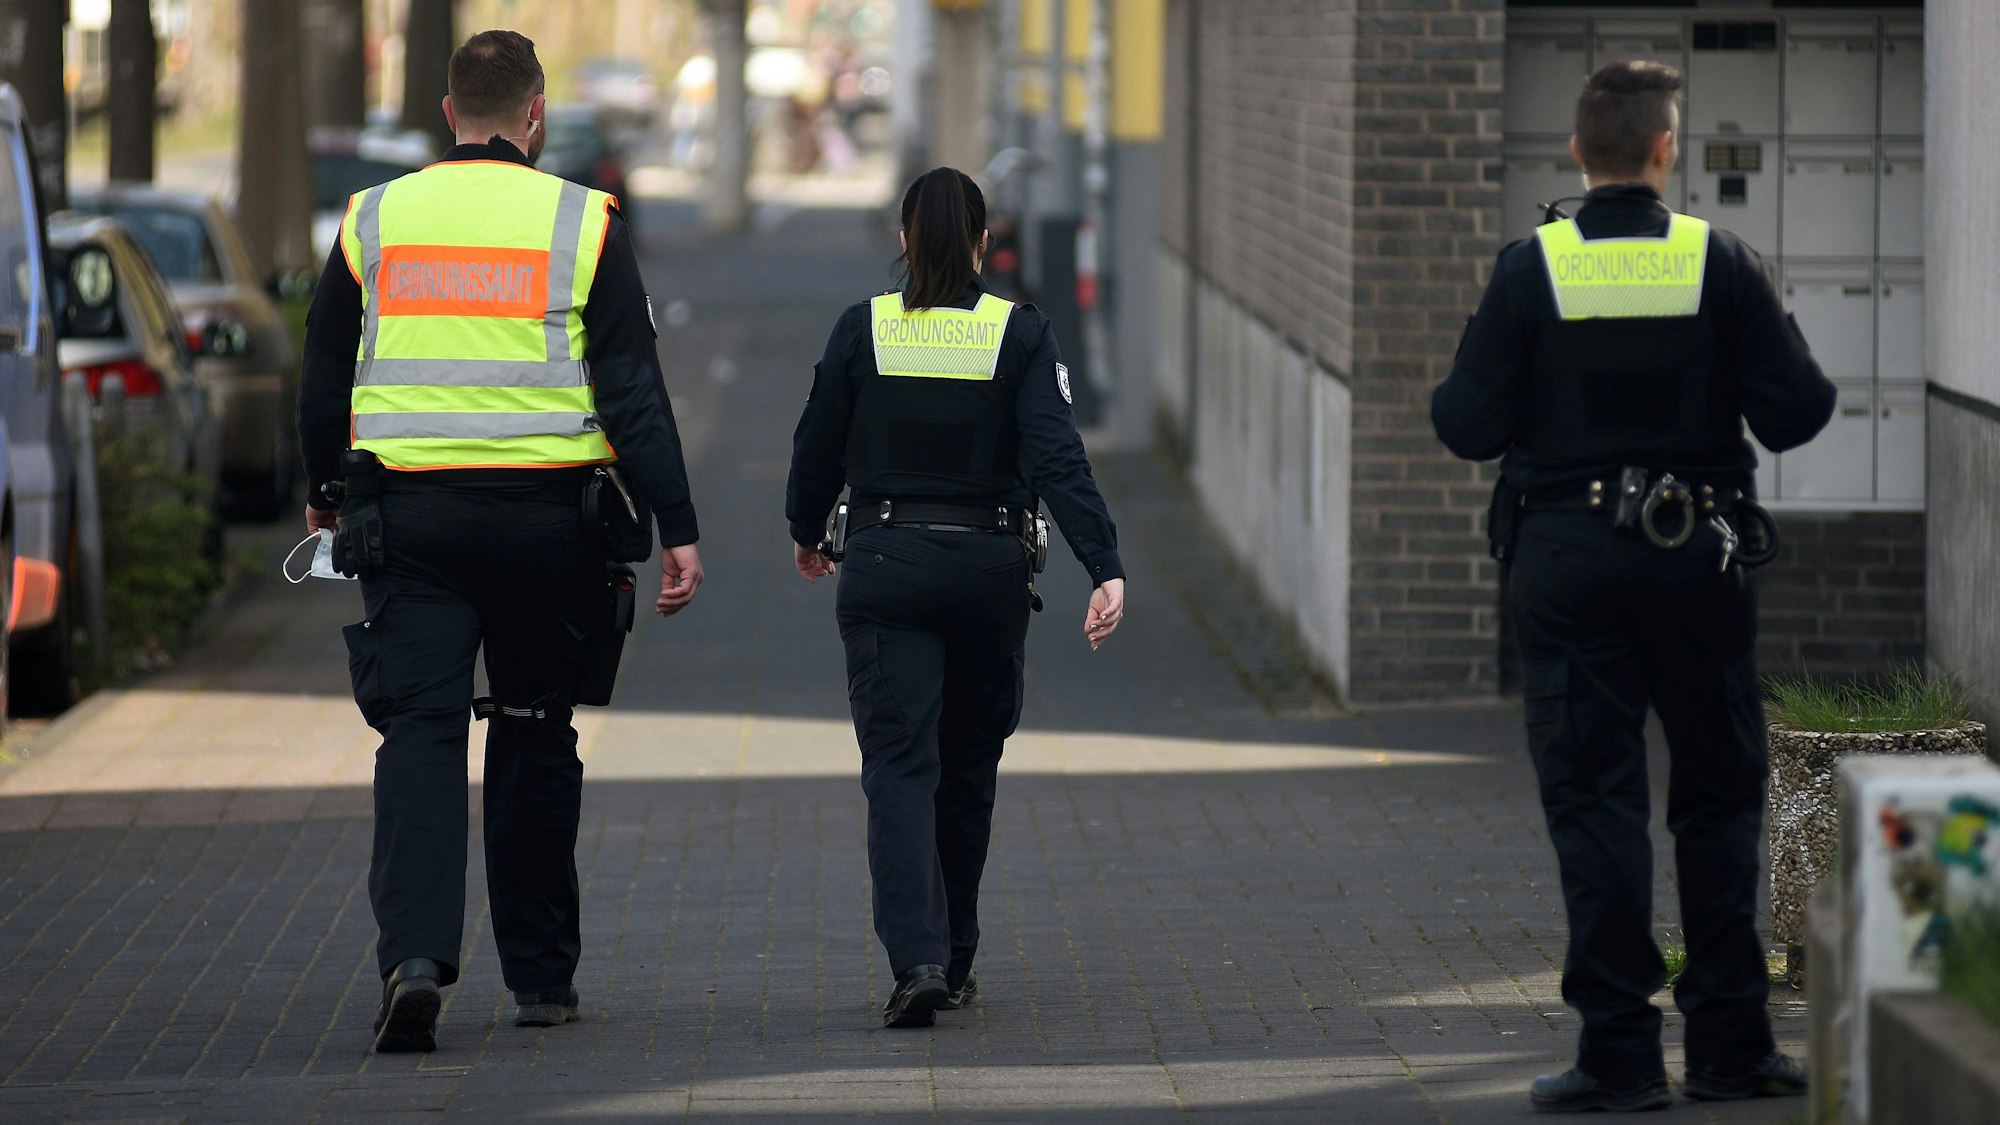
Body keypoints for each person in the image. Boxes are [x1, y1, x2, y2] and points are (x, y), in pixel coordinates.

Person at [1431, 61, 1835, 1113]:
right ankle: (1728, 1049)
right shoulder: (1721, 261)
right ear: (1664, 151)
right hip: (1695, 558)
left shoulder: (1530, 268)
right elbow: (1795, 411)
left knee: (1596, 802)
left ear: (1576, 153)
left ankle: (1616, 1057)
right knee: (1713, 798)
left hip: (1565, 562)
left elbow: (1466, 425)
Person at [297, 29, 704, 1053]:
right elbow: (632, 391)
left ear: (448, 115)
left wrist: (323, 493)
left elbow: (322, 371)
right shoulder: (582, 222)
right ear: (531, 118)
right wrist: (679, 527)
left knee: (422, 735)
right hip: (546, 525)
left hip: (412, 522)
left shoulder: (373, 218)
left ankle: (418, 960)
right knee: (532, 728)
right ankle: (538, 980)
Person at [786, 168, 1127, 1029]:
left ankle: (920, 960)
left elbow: (816, 446)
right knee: (967, 768)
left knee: (901, 767)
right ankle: (960, 952)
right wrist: (1104, 563)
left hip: (886, 563)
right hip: (988, 572)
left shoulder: (861, 329)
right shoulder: (1021, 334)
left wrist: (804, 529)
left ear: (903, 239)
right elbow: (1058, 458)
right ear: (984, 243)